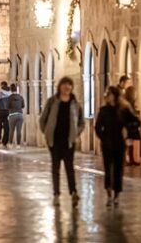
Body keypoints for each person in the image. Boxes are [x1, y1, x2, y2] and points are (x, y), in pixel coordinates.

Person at [39, 77, 85, 208]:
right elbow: (43, 119)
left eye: (69, 85)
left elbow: (81, 122)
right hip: (54, 141)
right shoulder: (52, 102)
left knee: (70, 167)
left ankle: (73, 192)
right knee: (56, 168)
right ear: (60, 86)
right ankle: (56, 194)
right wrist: (46, 132)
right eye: (65, 84)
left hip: (69, 141)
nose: (67, 87)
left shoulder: (75, 104)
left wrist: (76, 133)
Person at [95, 85, 139, 207]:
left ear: (115, 96)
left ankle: (116, 195)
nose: (108, 97)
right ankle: (109, 194)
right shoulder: (103, 110)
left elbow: (136, 121)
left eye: (110, 94)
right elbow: (98, 127)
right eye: (107, 95)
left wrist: (128, 130)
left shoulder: (123, 109)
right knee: (108, 169)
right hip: (107, 144)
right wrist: (103, 138)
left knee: (118, 170)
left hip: (119, 143)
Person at [124, 85, 141, 166]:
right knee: (128, 142)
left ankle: (131, 160)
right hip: (129, 126)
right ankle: (128, 160)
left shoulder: (129, 103)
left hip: (130, 125)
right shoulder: (127, 104)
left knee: (130, 142)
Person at [7, 83, 25, 149]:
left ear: (10, 90)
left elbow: (7, 106)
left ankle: (10, 144)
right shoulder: (20, 97)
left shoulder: (9, 97)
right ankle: (18, 145)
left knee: (11, 130)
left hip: (12, 114)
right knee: (19, 131)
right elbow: (23, 106)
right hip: (20, 115)